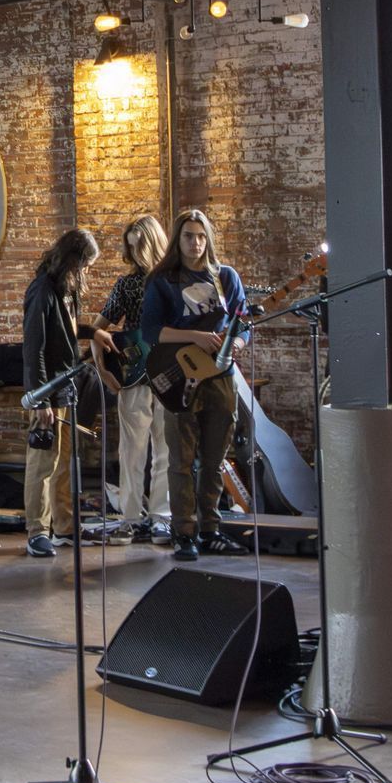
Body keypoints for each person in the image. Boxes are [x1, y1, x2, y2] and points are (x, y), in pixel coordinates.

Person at [142, 209, 250, 562]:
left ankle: (211, 530)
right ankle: (183, 532)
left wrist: (237, 343)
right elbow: (151, 332)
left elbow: (243, 324)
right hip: (179, 379)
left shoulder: (226, 277)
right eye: (188, 236)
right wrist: (197, 337)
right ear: (178, 240)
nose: (196, 243)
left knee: (215, 459)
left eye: (201, 236)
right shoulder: (163, 280)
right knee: (181, 460)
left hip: (220, 378)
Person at [89, 214, 171, 544]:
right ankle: (131, 517)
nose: (136, 255)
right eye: (131, 249)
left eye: (140, 247)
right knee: (132, 451)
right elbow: (98, 328)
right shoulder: (127, 284)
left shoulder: (174, 281)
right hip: (135, 375)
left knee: (166, 450)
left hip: (171, 372)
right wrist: (102, 369)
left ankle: (161, 516)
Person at [22, 228, 100, 558]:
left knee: (65, 462)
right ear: (73, 261)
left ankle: (64, 526)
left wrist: (95, 332)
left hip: (66, 386)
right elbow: (35, 347)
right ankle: (37, 532)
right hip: (48, 389)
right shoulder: (42, 290)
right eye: (86, 266)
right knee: (42, 464)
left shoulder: (67, 291)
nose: (87, 273)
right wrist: (40, 399)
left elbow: (65, 332)